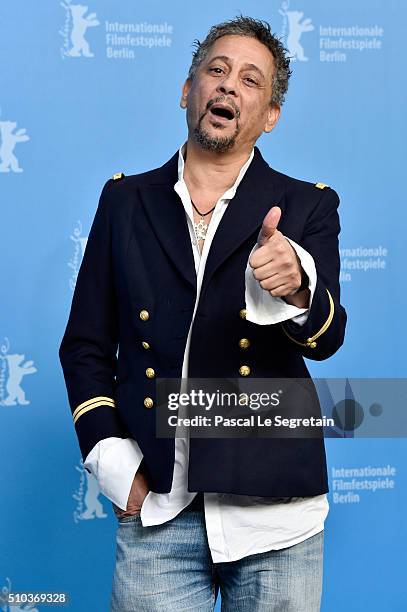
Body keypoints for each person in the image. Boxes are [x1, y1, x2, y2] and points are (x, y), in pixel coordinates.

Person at [59, 15, 347, 612]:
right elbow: (84, 346)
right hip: (159, 511)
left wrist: (298, 289)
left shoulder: (306, 206)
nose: (228, 86)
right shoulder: (124, 201)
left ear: (270, 116)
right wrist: (112, 459)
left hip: (277, 517)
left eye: (250, 80)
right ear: (187, 90)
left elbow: (328, 337)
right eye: (216, 70)